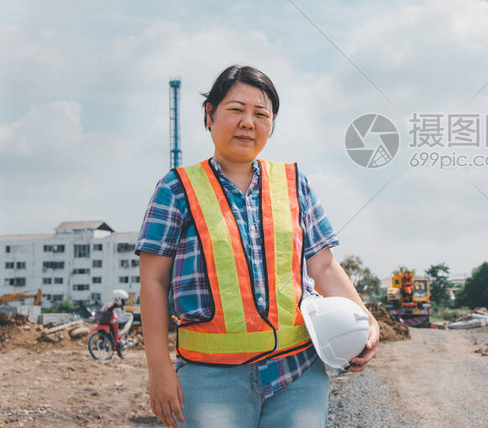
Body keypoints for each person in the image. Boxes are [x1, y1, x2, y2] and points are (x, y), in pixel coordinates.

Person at [136, 65, 379, 428]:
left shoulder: (295, 184)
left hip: (297, 374)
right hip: (210, 381)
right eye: (236, 109)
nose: (248, 122)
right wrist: (158, 369)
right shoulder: (175, 189)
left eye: (261, 114)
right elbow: (153, 282)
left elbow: (323, 266)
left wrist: (367, 319)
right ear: (210, 114)